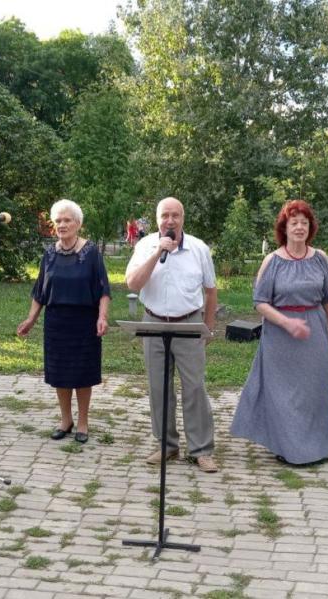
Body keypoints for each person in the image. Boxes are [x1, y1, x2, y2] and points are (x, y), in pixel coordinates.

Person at [231, 200, 328, 465]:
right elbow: (259, 302)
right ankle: (287, 447)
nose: (300, 227)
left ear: (310, 227)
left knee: (313, 390)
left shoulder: (320, 258)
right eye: (294, 223)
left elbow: (327, 299)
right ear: (285, 228)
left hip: (313, 330)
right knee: (284, 394)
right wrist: (286, 322)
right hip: (280, 334)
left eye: (304, 222)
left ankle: (316, 446)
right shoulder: (273, 261)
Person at [125, 197, 219, 473]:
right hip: (153, 322)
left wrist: (209, 327)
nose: (170, 221)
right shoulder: (145, 246)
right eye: (165, 215)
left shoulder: (199, 249)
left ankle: (201, 450)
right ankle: (166, 445)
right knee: (158, 386)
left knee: (194, 387)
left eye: (175, 215)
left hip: (189, 324)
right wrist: (157, 253)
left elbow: (211, 291)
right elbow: (132, 283)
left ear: (183, 218)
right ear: (157, 220)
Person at [17, 200, 111, 442]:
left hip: (84, 321)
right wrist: (30, 320)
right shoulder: (49, 254)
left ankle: (83, 422)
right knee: (60, 373)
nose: (62, 225)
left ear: (78, 224)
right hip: (56, 322)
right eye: (58, 221)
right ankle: (66, 419)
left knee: (82, 372)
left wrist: (102, 317)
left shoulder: (91, 253)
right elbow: (40, 291)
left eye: (67, 220)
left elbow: (103, 289)